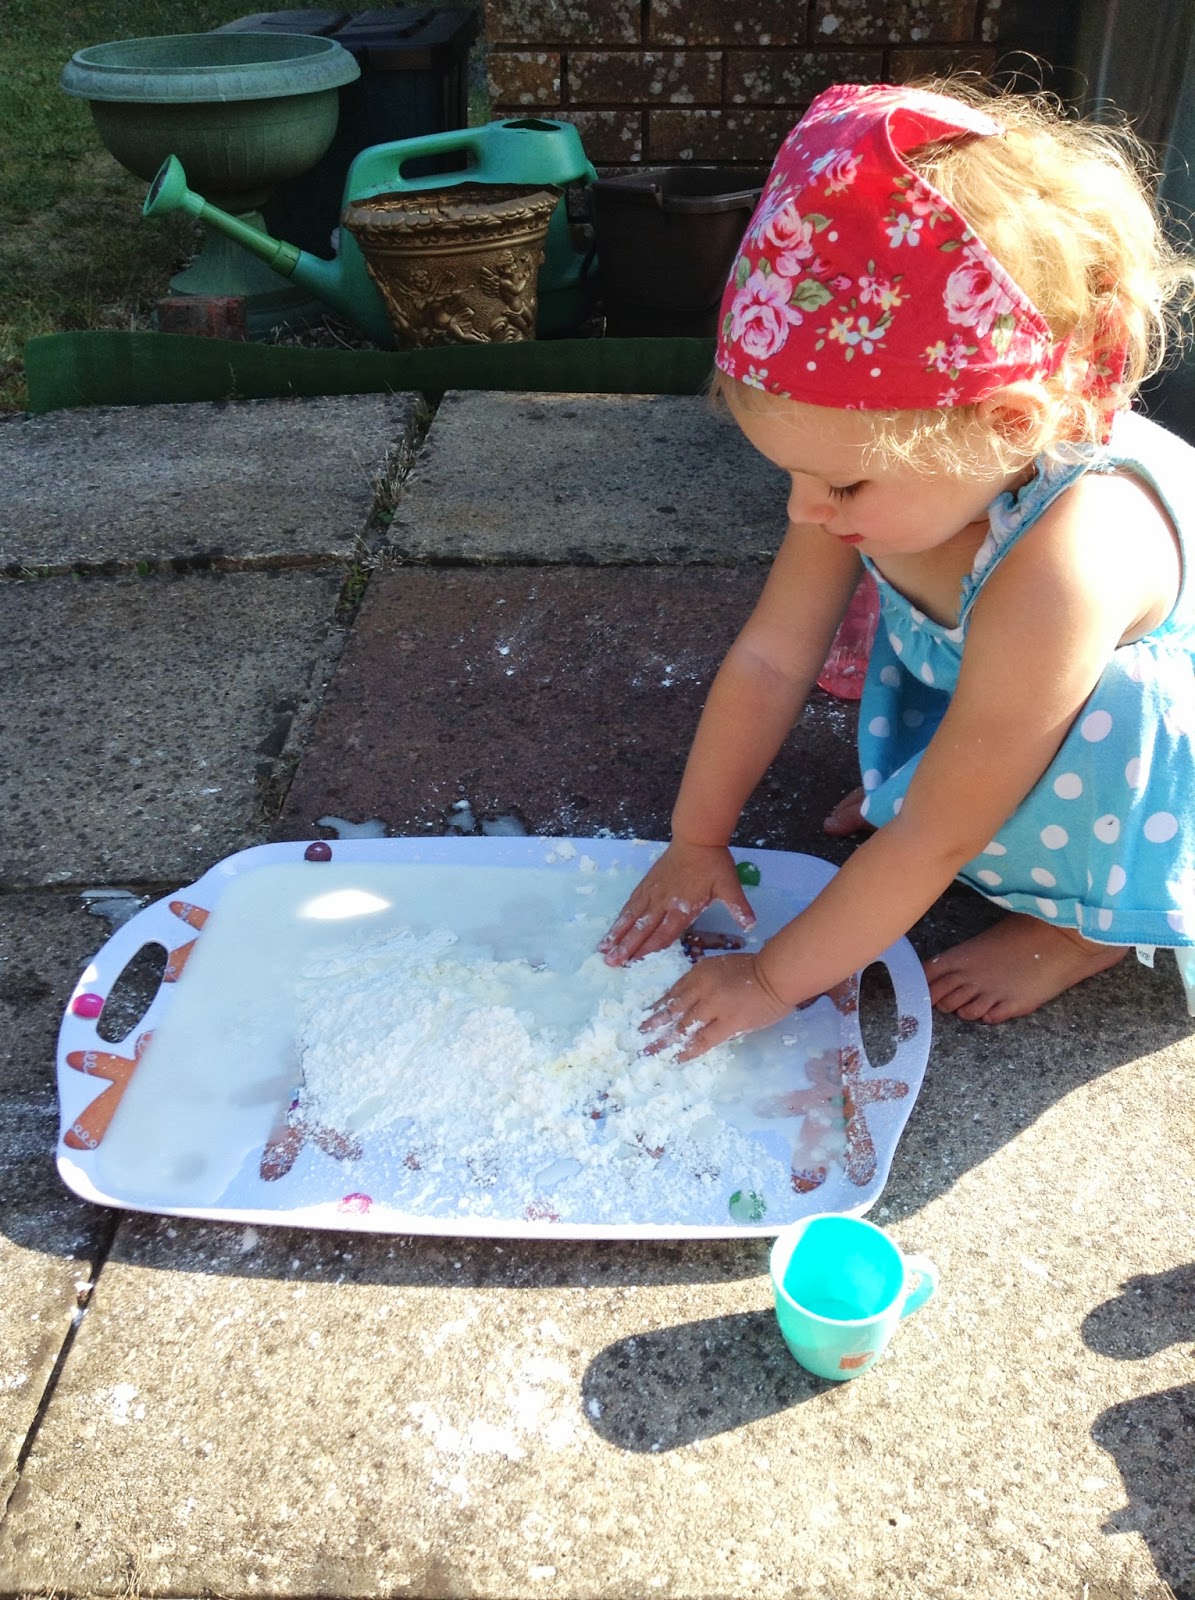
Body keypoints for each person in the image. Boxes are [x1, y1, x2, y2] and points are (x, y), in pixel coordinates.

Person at [599, 78, 1195, 1059]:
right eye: (790, 473)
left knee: (1005, 777)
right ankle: (950, 781)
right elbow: (769, 659)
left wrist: (770, 974)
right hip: (1002, 694)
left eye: (834, 485)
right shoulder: (876, 479)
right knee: (960, 760)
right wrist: (697, 836)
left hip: (1142, 766)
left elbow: (937, 839)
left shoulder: (1066, 561)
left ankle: (1078, 927)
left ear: (1007, 424)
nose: (803, 509)